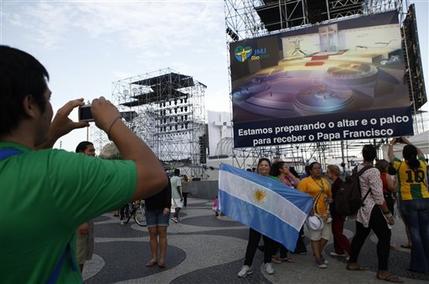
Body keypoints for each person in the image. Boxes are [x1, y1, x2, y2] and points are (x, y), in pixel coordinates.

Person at [0, 46, 167, 283]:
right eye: (47, 100)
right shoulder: (53, 172)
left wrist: (50, 136)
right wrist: (112, 122)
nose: (51, 110)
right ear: (29, 105)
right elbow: (153, 174)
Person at [347, 145, 401, 283]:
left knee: (360, 235)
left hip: (361, 208)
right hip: (373, 208)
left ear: (363, 155)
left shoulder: (357, 169)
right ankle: (383, 271)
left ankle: (352, 262)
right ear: (375, 155)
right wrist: (388, 214)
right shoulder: (373, 171)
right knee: (385, 236)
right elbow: (378, 196)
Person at [389, 137, 429, 274]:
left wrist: (392, 143)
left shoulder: (400, 165)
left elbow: (391, 156)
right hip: (425, 199)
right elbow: (421, 153)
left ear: (404, 155)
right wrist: (407, 142)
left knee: (415, 233)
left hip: (408, 200)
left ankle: (419, 264)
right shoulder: (423, 163)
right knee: (426, 231)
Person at [238, 158, 275, 277]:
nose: (264, 167)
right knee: (252, 242)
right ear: (258, 167)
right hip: (256, 216)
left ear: (269, 167)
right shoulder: (253, 180)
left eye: (266, 165)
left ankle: (268, 262)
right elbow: (247, 195)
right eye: (261, 165)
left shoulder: (275, 180)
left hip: (270, 215)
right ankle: (246, 265)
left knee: (269, 242)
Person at [297, 162, 332, 269]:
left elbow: (330, 195)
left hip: (326, 213)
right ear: (310, 171)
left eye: (319, 168)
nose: (318, 170)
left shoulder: (325, 181)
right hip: (313, 213)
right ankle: (318, 257)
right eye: (315, 168)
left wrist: (330, 200)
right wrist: (308, 210)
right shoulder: (304, 182)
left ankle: (317, 253)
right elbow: (300, 198)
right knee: (315, 237)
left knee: (326, 236)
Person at [270, 161, 300, 263]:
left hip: (289, 209)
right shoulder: (275, 179)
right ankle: (273, 254)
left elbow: (298, 183)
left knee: (286, 231)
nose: (288, 168)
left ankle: (283, 254)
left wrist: (289, 174)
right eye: (286, 167)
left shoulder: (288, 178)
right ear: (280, 169)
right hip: (278, 209)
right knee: (278, 231)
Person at [75, 141, 96, 272]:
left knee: (82, 255)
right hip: (79, 219)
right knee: (78, 255)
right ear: (81, 152)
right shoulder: (78, 169)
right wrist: (81, 221)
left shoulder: (86, 168)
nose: (94, 154)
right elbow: (76, 195)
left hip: (86, 217)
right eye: (91, 151)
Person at [144, 175, 172, 268]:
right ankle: (154, 258)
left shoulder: (164, 176)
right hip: (149, 208)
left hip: (163, 208)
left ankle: (162, 259)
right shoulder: (146, 177)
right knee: (152, 234)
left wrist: (167, 206)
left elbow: (168, 191)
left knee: (162, 233)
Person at [327, 164, 351, 258]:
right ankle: (339, 251)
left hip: (338, 211)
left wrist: (331, 200)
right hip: (338, 211)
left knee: (338, 233)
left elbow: (340, 198)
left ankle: (351, 252)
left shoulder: (338, 183)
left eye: (328, 171)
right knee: (336, 231)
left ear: (332, 173)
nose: (326, 173)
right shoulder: (338, 182)